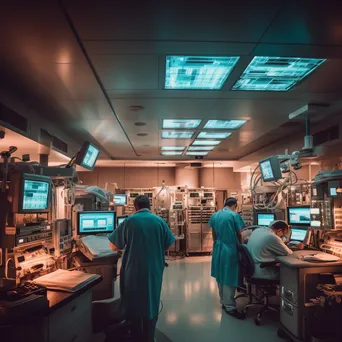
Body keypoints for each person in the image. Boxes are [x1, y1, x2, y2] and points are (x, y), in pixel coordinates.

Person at [108, 195, 176, 342]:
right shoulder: (159, 221)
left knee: (133, 300)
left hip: (133, 269)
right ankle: (149, 336)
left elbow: (114, 245)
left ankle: (135, 334)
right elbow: (169, 243)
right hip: (154, 269)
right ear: (149, 206)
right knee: (151, 300)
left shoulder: (129, 221)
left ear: (135, 206)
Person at [209, 197, 245, 319]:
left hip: (218, 248)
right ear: (235, 204)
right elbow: (239, 233)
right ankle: (230, 307)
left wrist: (216, 244)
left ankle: (224, 301)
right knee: (229, 276)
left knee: (220, 275)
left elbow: (213, 233)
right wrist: (241, 246)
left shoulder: (215, 215)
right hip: (230, 249)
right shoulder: (234, 215)